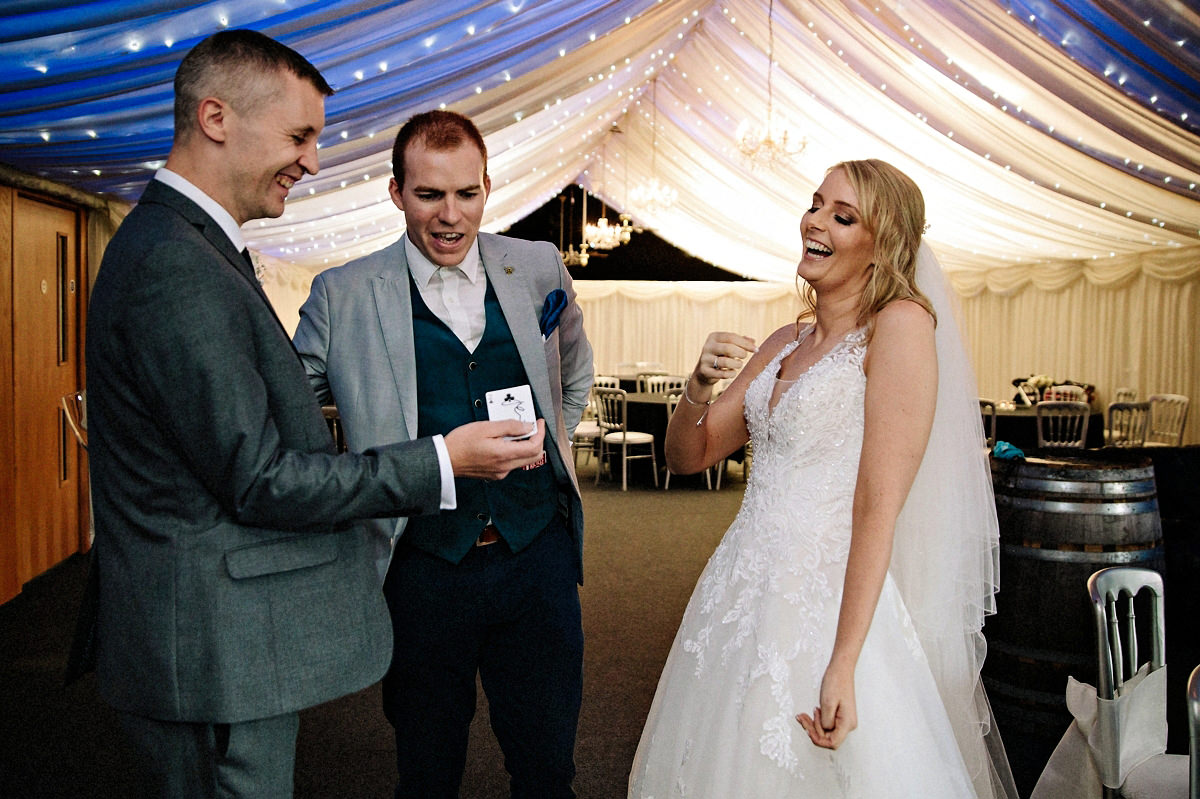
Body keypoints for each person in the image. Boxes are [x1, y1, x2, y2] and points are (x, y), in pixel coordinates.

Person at [81, 30, 545, 798]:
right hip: (209, 647)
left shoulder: (192, 246)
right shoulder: (175, 262)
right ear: (216, 118)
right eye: (300, 135)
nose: (314, 160)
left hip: (212, 637)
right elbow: (259, 478)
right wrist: (440, 460)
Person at [627, 159, 1019, 798]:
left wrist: (845, 661)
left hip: (832, 599)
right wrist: (698, 388)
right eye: (815, 205)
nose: (815, 222)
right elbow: (687, 457)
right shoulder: (786, 339)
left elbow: (877, 504)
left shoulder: (900, 328)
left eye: (843, 216)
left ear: (881, 244)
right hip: (740, 586)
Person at [292, 109, 593, 798]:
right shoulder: (342, 295)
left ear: (488, 187)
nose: (451, 215)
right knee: (427, 771)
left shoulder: (538, 265)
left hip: (536, 556)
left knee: (548, 767)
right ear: (396, 192)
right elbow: (285, 410)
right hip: (421, 567)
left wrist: (557, 445)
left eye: (467, 194)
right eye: (429, 195)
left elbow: (573, 369)